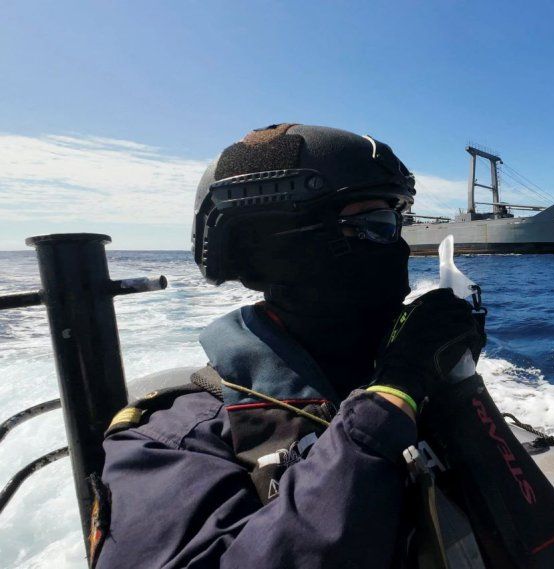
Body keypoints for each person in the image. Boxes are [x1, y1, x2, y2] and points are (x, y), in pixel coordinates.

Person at [94, 123, 486, 568]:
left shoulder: (405, 363)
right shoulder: (173, 441)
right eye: (375, 225)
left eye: (395, 223)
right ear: (276, 247)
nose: (397, 249)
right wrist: (392, 397)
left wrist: (447, 374)